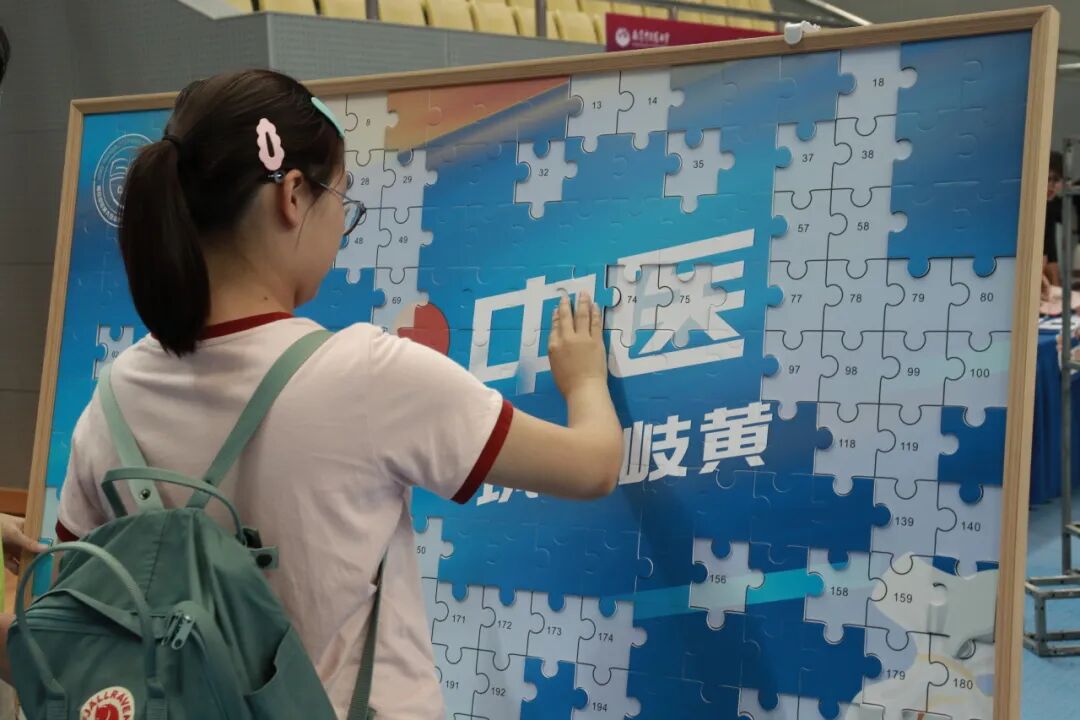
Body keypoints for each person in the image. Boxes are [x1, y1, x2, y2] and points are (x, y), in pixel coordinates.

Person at [1, 69, 623, 716]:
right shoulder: (369, 375)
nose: (340, 224)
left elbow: (66, 632)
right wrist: (584, 380)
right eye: (340, 197)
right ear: (293, 196)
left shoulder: (114, 396)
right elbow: (592, 466)